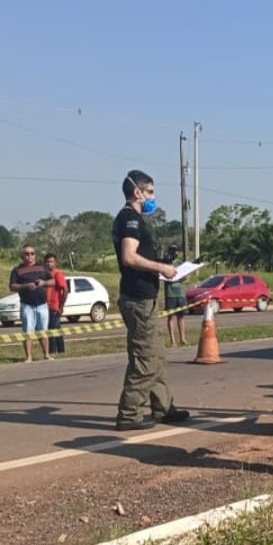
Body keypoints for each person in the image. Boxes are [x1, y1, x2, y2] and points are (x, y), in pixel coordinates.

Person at [112, 170, 190, 431]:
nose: (153, 198)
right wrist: (161, 268)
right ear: (138, 192)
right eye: (151, 192)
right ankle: (129, 414)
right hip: (138, 299)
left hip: (146, 297)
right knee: (145, 359)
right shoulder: (130, 220)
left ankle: (163, 407)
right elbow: (129, 257)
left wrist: (163, 266)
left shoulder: (134, 219)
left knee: (155, 355)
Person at [9, 245, 54, 362]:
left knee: (43, 330)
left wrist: (43, 282)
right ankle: (29, 356)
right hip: (27, 305)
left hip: (42, 305)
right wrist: (26, 286)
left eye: (32, 253)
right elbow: (12, 286)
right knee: (28, 331)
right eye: (27, 254)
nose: (29, 256)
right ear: (22, 255)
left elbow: (53, 281)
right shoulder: (17, 270)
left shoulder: (42, 267)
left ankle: (46, 354)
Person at [162, 245, 189, 347]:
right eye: (173, 251)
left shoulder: (180, 263)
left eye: (177, 251)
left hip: (180, 293)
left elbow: (186, 276)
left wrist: (183, 277)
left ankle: (183, 338)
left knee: (181, 317)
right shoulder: (165, 262)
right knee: (170, 317)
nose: (176, 253)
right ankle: (173, 341)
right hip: (170, 293)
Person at [44, 253, 69, 355]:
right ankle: (61, 350)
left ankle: (52, 351)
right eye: (47, 262)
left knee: (52, 330)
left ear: (55, 262)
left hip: (54, 306)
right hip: (46, 306)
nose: (49, 264)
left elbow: (65, 290)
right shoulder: (44, 274)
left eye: (51, 261)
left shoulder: (57, 273)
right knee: (56, 328)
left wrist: (61, 306)